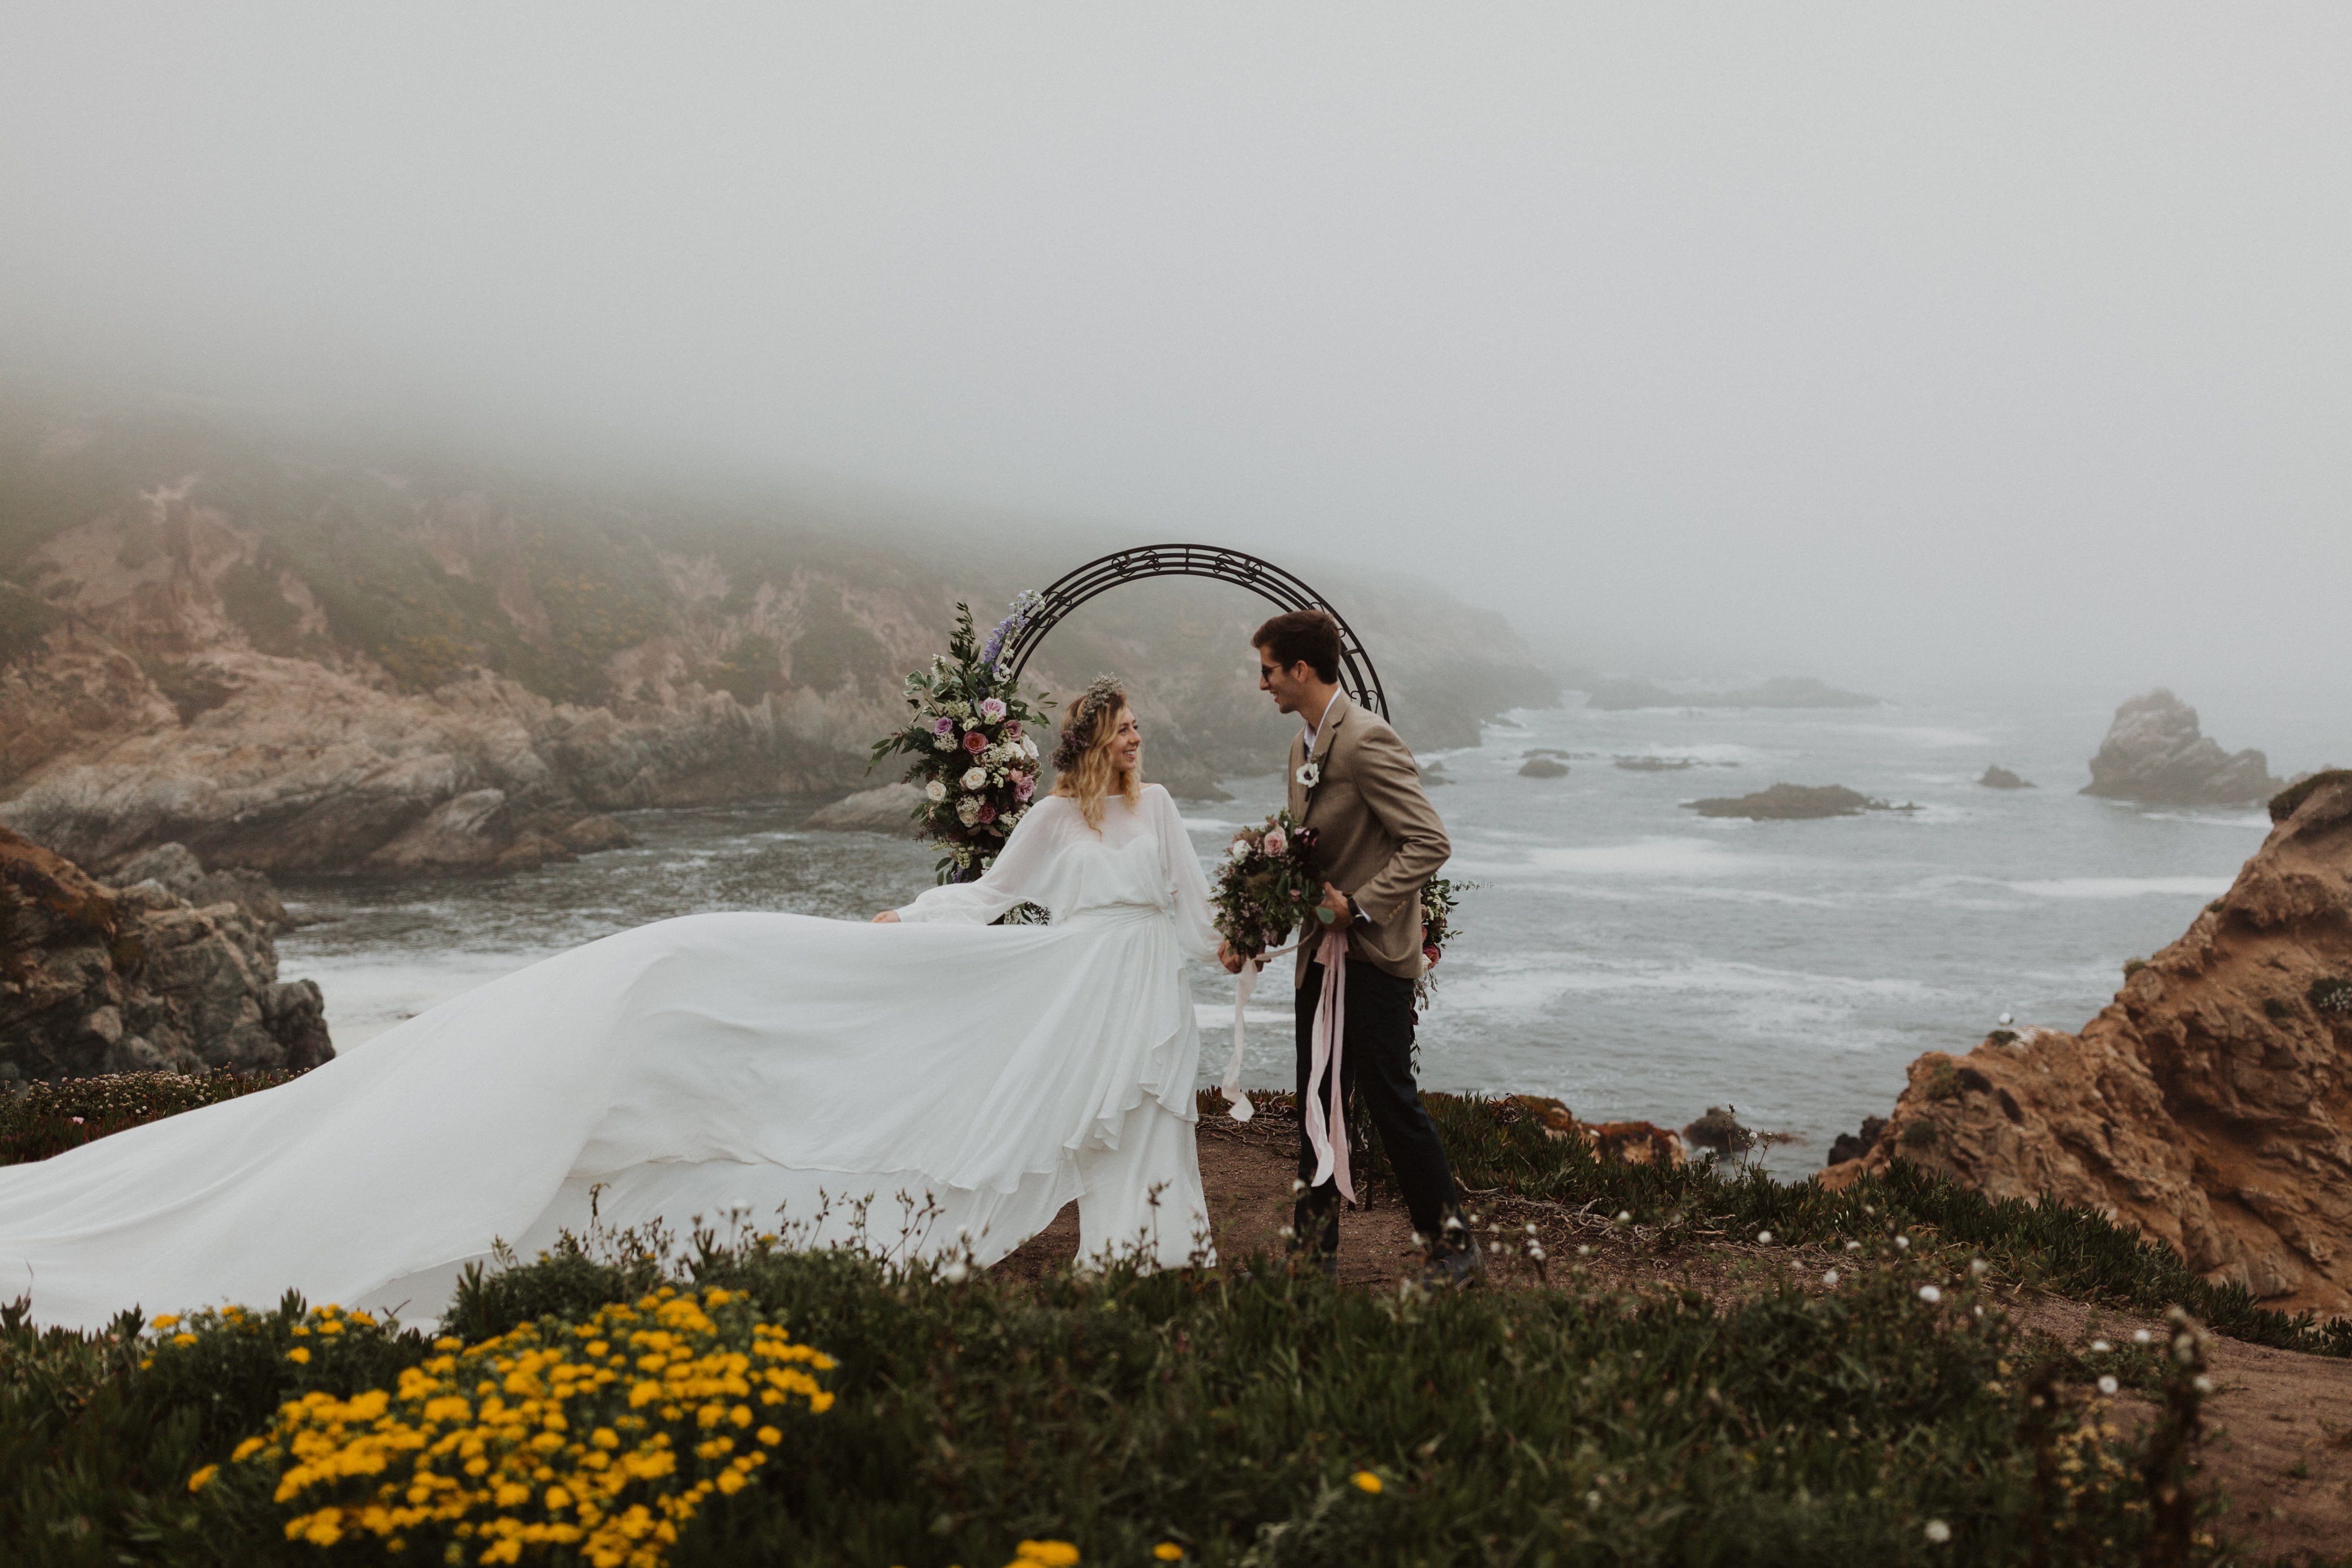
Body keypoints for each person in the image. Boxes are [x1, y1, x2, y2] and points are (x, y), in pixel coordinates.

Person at [0, 677, 1219, 1330]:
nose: (1137, 742)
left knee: (1140, 1113)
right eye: (1123, 730)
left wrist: (1233, 939)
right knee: (1057, 1105)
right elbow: (993, 895)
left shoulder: (1160, 808)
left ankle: (1157, 1259)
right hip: (1062, 976)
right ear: (1091, 740)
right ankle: (1125, 1267)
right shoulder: (1052, 818)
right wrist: (914, 917)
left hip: (1132, 978)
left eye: (1137, 731)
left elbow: (1189, 897)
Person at [1224, 610, 1478, 1285]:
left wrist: (1359, 903)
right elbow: (1303, 858)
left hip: (1373, 957)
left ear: (1301, 669)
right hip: (1318, 957)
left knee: (1392, 1104)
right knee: (1315, 1100)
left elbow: (1429, 841)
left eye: (1269, 671)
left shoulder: (1366, 740)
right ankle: (1312, 1258)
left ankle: (1453, 1247)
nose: (1262, 684)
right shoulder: (1300, 747)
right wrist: (1256, 930)